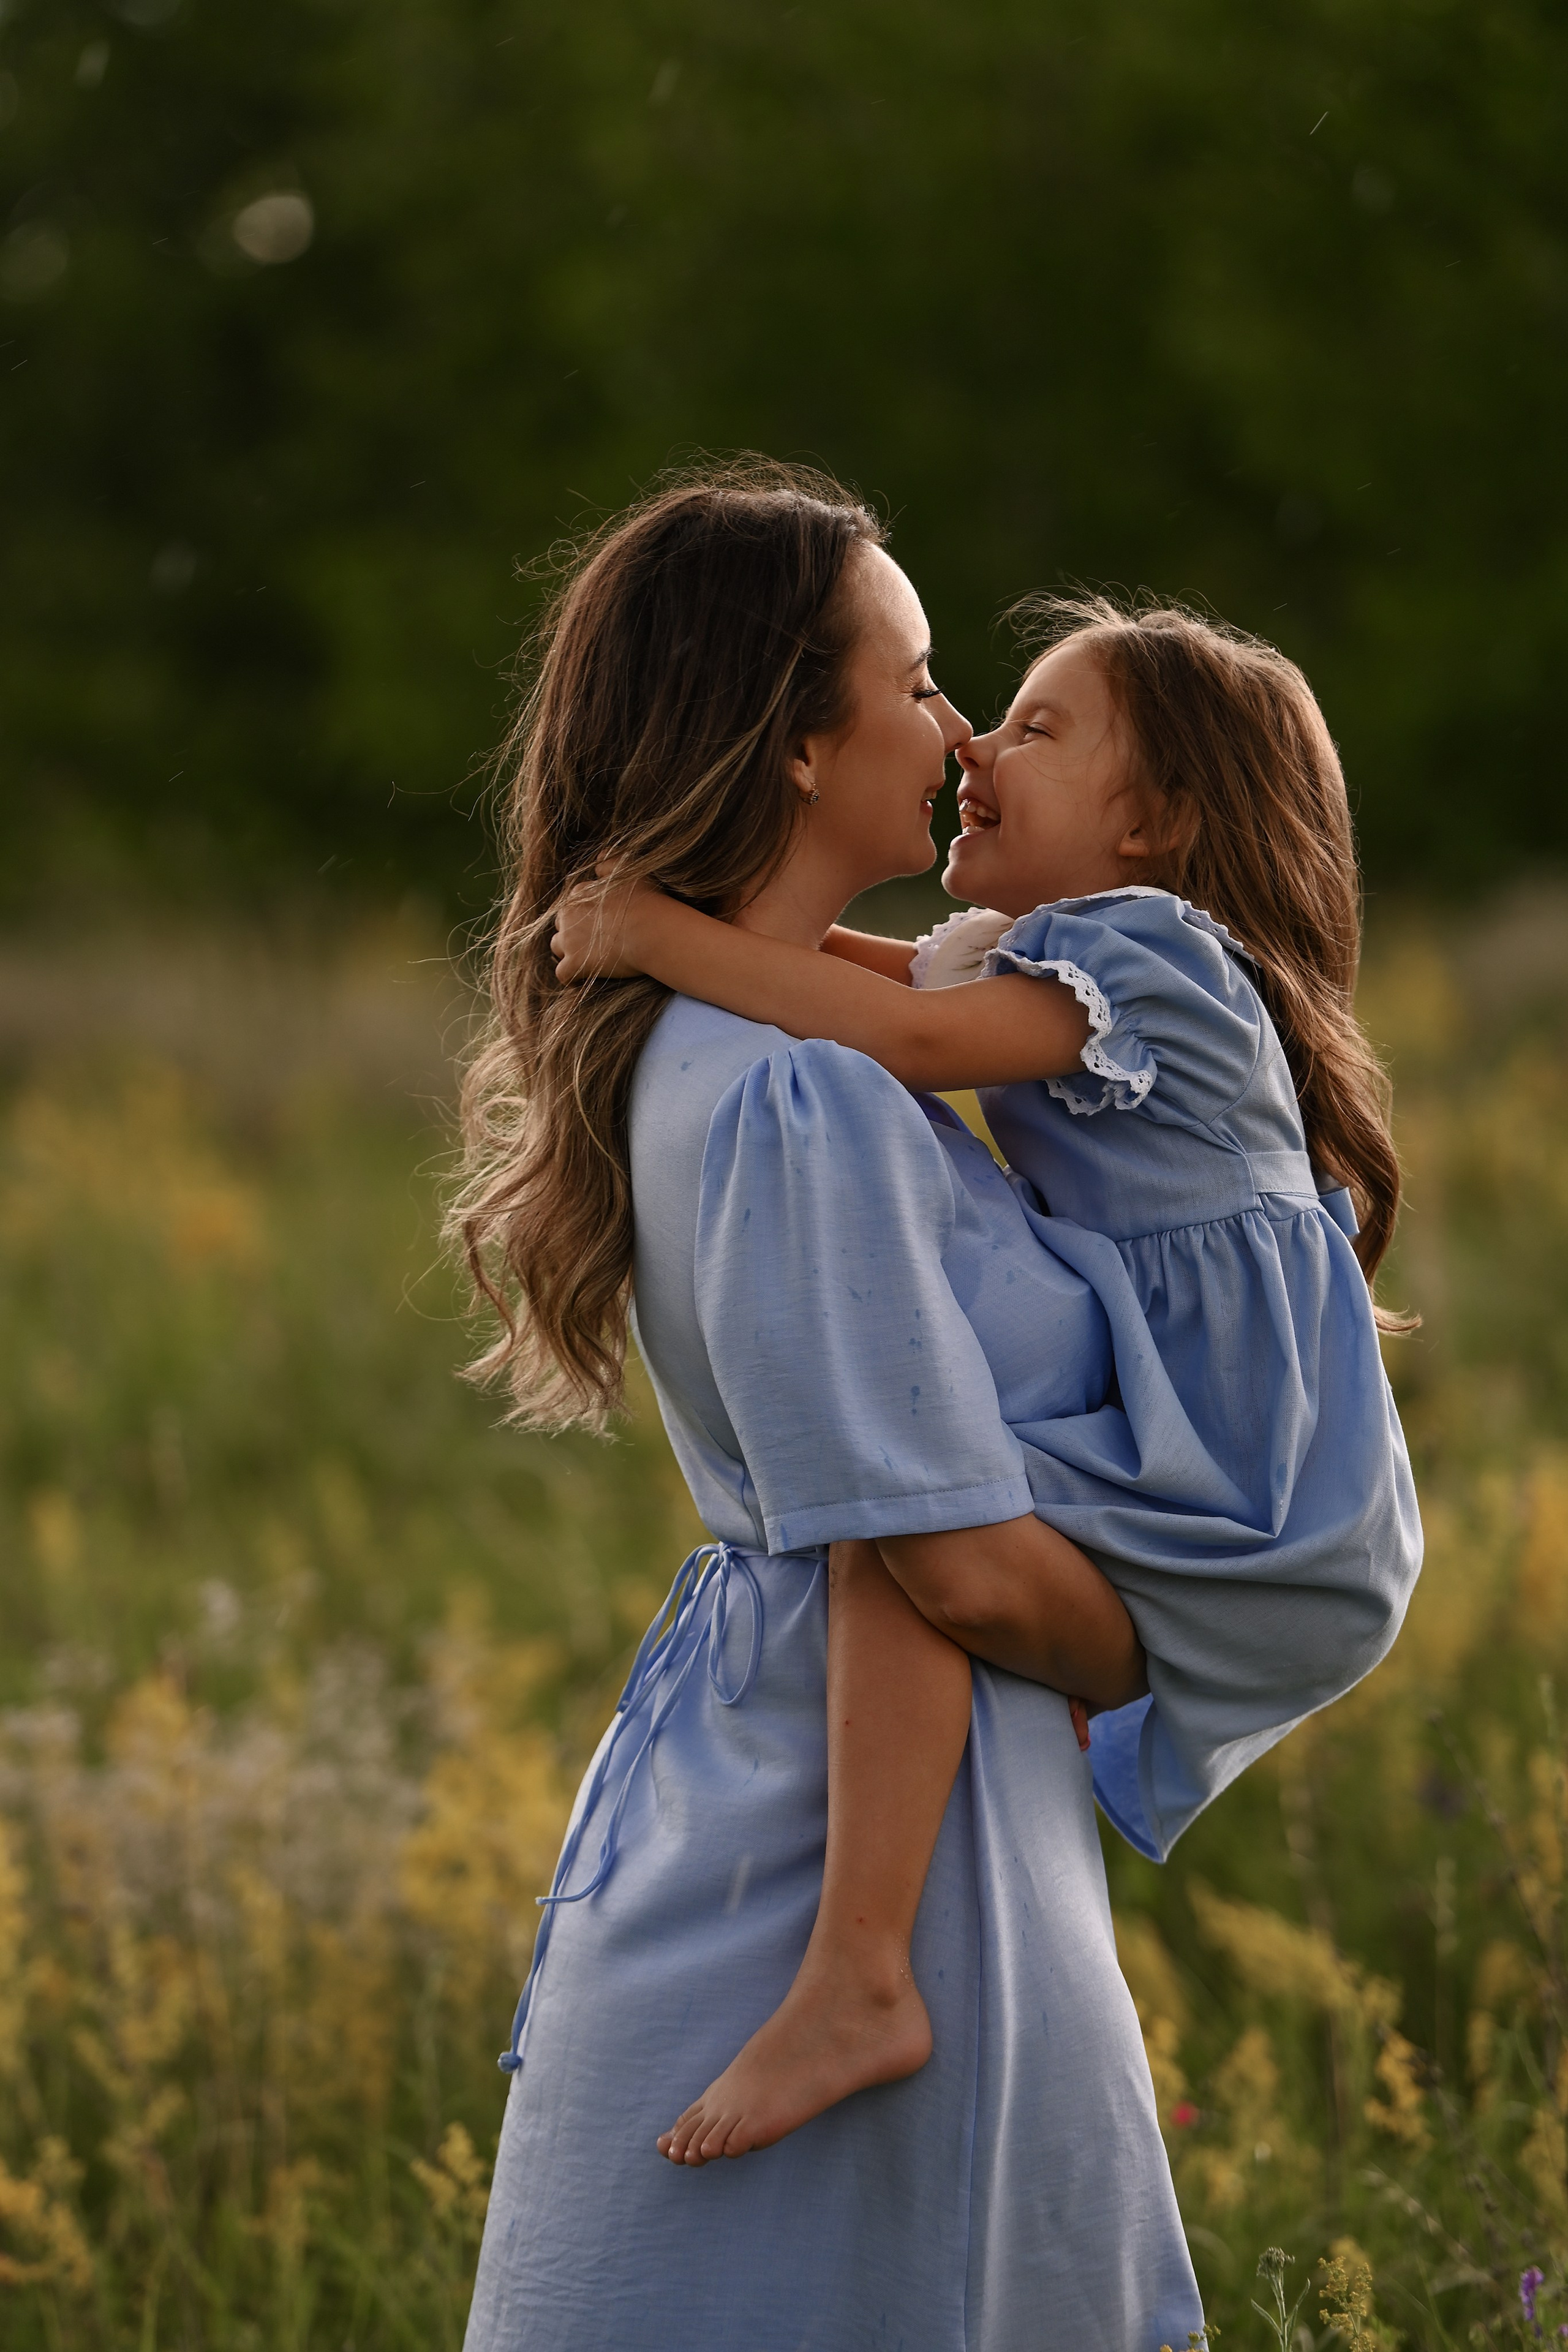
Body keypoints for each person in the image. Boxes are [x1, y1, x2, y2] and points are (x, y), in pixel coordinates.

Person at [452, 460, 1408, 2352]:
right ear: (798, 746)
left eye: (1013, 710)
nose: (961, 730)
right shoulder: (801, 1082)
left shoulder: (756, 1034)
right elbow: (945, 1564)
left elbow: (886, 1017)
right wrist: (1169, 1630)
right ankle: (860, 1982)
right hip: (868, 1845)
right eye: (915, 680)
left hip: (810, 1784)